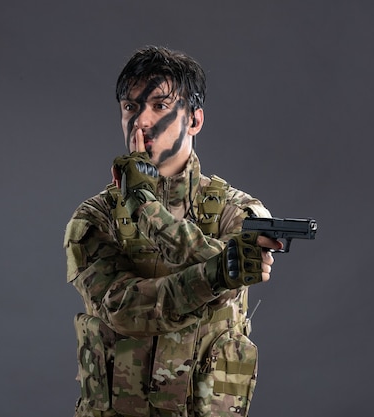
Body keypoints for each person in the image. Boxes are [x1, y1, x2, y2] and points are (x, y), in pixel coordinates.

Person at [64, 45, 283, 417]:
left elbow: (222, 293)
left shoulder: (238, 211)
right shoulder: (95, 217)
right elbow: (124, 309)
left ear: (194, 120)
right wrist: (217, 271)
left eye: (160, 106)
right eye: (131, 107)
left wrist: (144, 205)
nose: (141, 121)